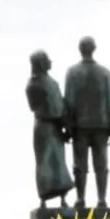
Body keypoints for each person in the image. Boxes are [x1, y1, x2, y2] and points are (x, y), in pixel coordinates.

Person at [61, 36, 110, 208]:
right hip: (101, 125)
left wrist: (68, 125)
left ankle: (80, 199)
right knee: (101, 165)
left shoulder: (72, 73)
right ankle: (101, 199)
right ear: (94, 48)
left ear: (80, 49)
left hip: (80, 126)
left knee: (80, 166)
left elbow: (68, 100)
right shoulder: (105, 73)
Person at [26, 50, 73, 209]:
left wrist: (65, 124)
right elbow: (38, 107)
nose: (50, 62)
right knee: (44, 163)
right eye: (47, 60)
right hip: (45, 127)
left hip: (55, 128)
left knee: (59, 162)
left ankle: (62, 198)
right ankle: (44, 198)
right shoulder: (34, 85)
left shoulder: (52, 83)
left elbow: (60, 105)